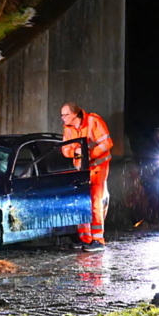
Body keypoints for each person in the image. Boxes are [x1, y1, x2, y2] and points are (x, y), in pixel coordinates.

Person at [60, 102, 113, 252]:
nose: (62, 118)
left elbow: (107, 143)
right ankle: (85, 239)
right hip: (82, 169)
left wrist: (91, 155)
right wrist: (75, 153)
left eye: (65, 114)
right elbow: (65, 149)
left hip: (98, 166)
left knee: (95, 201)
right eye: (62, 115)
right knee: (82, 201)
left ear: (75, 114)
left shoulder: (93, 121)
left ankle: (98, 240)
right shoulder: (68, 129)